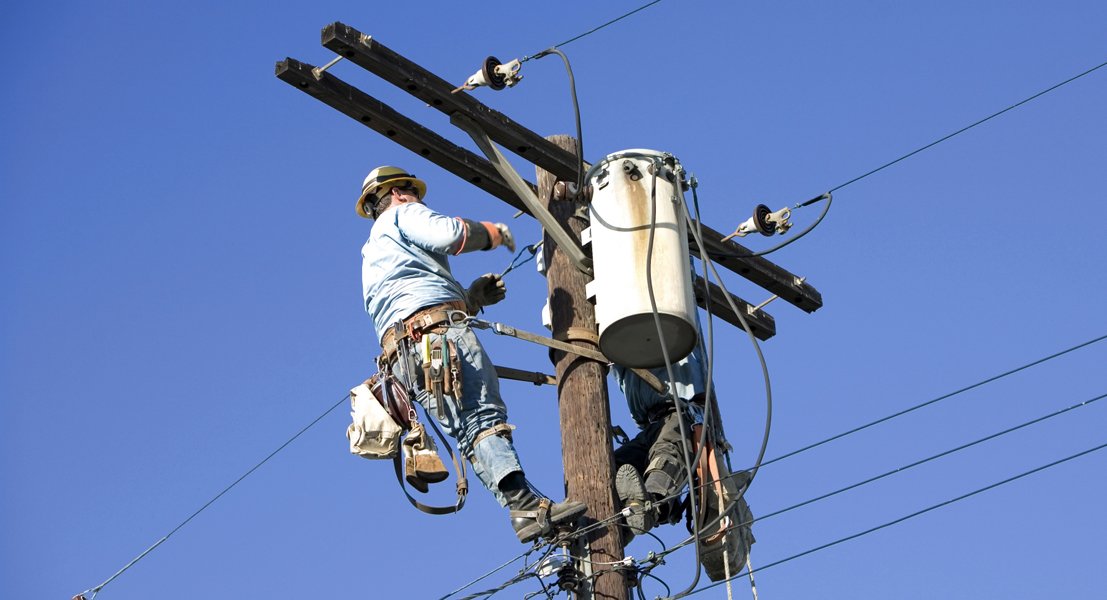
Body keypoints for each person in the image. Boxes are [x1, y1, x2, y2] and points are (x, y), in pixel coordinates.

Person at [356, 165, 586, 543]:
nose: (420, 201)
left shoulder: (371, 254)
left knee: (468, 430)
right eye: (414, 194)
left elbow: (413, 298)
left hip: (406, 358)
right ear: (397, 193)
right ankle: (526, 505)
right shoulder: (403, 213)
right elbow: (450, 235)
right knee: (481, 416)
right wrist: (496, 234)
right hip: (438, 340)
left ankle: (523, 507)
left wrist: (472, 299)